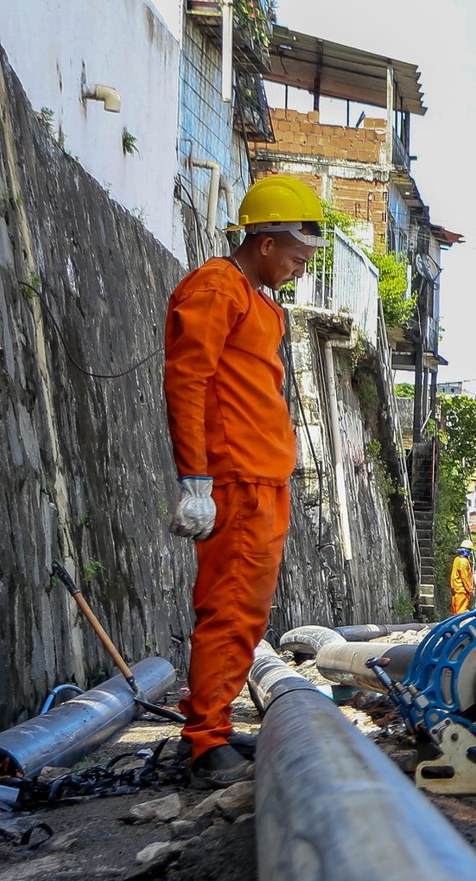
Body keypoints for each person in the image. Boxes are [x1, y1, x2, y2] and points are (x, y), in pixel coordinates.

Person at [163, 173, 323, 788]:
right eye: (297, 256)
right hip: (236, 479)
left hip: (264, 478)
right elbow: (188, 380)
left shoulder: (257, 302)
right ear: (265, 243)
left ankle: (213, 727)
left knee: (247, 613)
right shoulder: (216, 288)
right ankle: (206, 744)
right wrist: (195, 480)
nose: (301, 269)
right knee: (230, 609)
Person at [449, 544, 476, 614]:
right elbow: (465, 577)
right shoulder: (463, 562)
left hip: (455, 589)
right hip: (462, 590)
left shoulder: (457, 559)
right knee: (461, 613)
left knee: (455, 612)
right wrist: (470, 589)